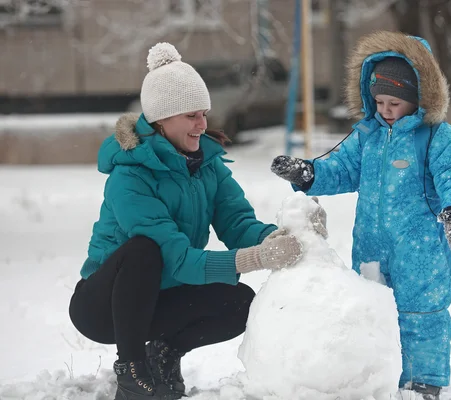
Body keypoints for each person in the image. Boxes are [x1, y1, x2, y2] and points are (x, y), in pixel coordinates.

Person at [68, 42, 325, 400]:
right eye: (192, 116)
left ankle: (163, 353)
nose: (202, 125)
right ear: (161, 120)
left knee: (239, 302)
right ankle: (130, 370)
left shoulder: (207, 165)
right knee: (144, 251)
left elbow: (238, 223)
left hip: (163, 295)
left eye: (204, 113)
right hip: (104, 307)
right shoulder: (129, 177)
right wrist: (257, 259)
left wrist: (280, 238)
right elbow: (173, 257)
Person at [271, 31, 451, 400]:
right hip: (370, 244)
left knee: (421, 313)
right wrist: (308, 174)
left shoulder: (435, 137)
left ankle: (423, 380)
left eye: (394, 102)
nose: (385, 109)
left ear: (417, 99)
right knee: (370, 311)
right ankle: (372, 376)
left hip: (421, 249)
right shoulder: (366, 135)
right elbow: (339, 167)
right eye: (379, 100)